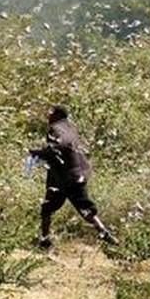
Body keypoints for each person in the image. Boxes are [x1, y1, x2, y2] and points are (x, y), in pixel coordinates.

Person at [29, 105, 117, 249]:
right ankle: (45, 240)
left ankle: (104, 233)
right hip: (67, 176)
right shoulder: (69, 127)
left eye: (50, 114)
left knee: (56, 208)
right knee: (64, 207)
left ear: (57, 115)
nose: (48, 117)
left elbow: (60, 144)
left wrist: (39, 152)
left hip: (67, 178)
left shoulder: (57, 128)